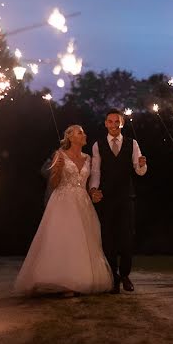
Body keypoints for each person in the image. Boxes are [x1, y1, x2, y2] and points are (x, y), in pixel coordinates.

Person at [16, 125, 113, 295]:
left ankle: (80, 279)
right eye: (80, 132)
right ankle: (60, 280)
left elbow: (90, 181)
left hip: (83, 202)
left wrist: (94, 192)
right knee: (63, 239)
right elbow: (53, 184)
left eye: (83, 132)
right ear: (70, 137)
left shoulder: (88, 158)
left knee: (83, 240)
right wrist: (57, 170)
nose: (84, 134)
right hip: (62, 202)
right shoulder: (59, 155)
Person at [89, 109, 147, 293]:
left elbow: (139, 171)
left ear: (122, 123)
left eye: (117, 122)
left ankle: (125, 275)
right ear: (105, 123)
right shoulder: (98, 145)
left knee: (127, 238)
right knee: (108, 238)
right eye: (110, 121)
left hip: (126, 197)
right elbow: (96, 171)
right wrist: (94, 190)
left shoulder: (132, 143)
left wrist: (143, 164)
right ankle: (113, 277)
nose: (114, 125)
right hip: (106, 198)